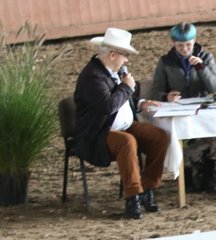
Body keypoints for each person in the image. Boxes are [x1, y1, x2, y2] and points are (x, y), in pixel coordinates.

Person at [72, 28, 169, 220]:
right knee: (127, 142)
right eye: (125, 55)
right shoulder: (92, 76)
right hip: (98, 133)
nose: (126, 60)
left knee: (159, 137)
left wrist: (140, 103)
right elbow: (109, 105)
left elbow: (123, 99)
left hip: (122, 126)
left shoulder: (112, 71)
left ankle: (147, 189)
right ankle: (132, 197)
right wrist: (126, 87)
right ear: (112, 54)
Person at [152, 22, 216, 193]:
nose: (184, 49)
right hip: (179, 109)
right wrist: (166, 96)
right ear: (173, 43)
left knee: (211, 136)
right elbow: (156, 90)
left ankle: (209, 176)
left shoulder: (206, 57)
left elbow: (213, 87)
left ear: (195, 40)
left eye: (188, 45)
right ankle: (187, 175)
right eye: (180, 46)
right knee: (185, 137)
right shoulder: (165, 62)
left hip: (201, 107)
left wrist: (201, 68)